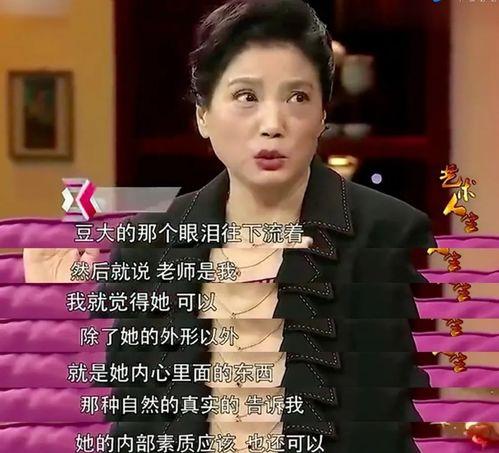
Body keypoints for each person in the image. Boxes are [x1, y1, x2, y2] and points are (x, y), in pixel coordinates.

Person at [24, 1, 437, 451]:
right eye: (246, 97)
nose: (273, 125)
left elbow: (397, 425)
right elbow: (133, 424)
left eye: (298, 97)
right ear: (203, 115)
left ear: (323, 114)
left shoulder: (390, 236)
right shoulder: (149, 246)